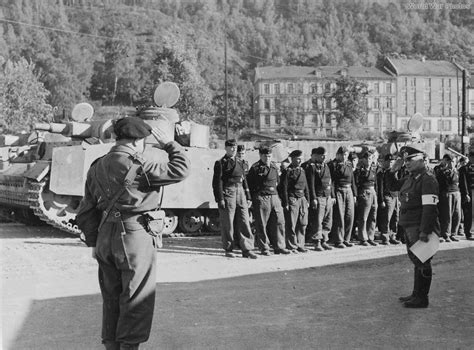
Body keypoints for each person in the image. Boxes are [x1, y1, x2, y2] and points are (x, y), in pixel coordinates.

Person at [76, 117, 190, 350]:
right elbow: (181, 169)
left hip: (104, 237)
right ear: (138, 141)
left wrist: (94, 243)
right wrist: (170, 144)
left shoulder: (97, 165)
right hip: (134, 236)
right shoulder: (139, 166)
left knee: (111, 299)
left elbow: (86, 210)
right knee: (137, 298)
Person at [388, 145, 440, 308]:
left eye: (410, 159)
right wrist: (392, 172)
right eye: (405, 160)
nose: (407, 163)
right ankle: (416, 293)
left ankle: (422, 298)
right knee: (416, 260)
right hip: (409, 225)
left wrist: (425, 231)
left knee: (422, 261)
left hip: (419, 226)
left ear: (422, 160)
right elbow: (394, 187)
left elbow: (429, 208)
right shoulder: (411, 177)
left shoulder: (427, 179)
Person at [212, 139, 257, 259]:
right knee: (228, 222)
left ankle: (247, 249)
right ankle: (228, 248)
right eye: (231, 147)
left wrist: (248, 196)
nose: (233, 149)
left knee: (244, 220)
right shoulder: (221, 163)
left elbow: (244, 179)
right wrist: (220, 198)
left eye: (235, 147)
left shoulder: (240, 162)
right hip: (228, 191)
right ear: (226, 148)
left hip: (240, 191)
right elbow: (217, 182)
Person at [247, 146, 290, 255]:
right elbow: (250, 184)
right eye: (265, 156)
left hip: (274, 197)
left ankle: (279, 246)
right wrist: (253, 199)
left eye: (269, 156)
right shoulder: (255, 168)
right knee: (262, 224)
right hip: (262, 197)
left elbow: (278, 183)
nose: (267, 158)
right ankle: (264, 247)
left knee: (279, 222)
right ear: (260, 155)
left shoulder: (274, 167)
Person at [305, 147, 334, 251]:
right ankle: (317, 242)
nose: (324, 157)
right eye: (322, 155)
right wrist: (313, 198)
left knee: (327, 220)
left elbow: (331, 181)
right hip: (319, 196)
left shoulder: (326, 166)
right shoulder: (312, 167)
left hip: (327, 195)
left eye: (325, 155)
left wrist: (332, 195)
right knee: (318, 220)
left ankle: (324, 240)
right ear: (316, 156)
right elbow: (311, 184)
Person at [280, 150, 309, 253]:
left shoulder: (302, 170)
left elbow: (306, 186)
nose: (300, 160)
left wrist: (307, 199)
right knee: (291, 224)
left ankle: (300, 244)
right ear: (292, 159)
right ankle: (291, 245)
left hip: (302, 199)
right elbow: (284, 188)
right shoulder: (287, 171)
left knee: (302, 223)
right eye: (297, 158)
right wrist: (286, 203)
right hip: (292, 198)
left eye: (301, 158)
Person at [328, 146, 357, 248]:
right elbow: (331, 181)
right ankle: (339, 240)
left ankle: (347, 239)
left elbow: (352, 180)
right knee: (340, 216)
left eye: (346, 155)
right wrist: (332, 195)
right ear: (338, 154)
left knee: (350, 215)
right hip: (338, 190)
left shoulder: (349, 164)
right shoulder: (333, 165)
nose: (344, 156)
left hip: (349, 190)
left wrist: (354, 194)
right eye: (342, 154)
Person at [434, 154, 461, 242]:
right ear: (445, 160)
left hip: (456, 192)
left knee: (457, 214)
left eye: (453, 161)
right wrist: (445, 170)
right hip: (446, 192)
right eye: (450, 161)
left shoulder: (455, 170)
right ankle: (446, 234)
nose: (452, 163)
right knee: (447, 215)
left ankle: (454, 233)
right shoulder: (439, 169)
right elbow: (440, 180)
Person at [354, 149, 378, 246]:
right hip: (364, 191)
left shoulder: (373, 169)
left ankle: (370, 236)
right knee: (364, 216)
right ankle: (363, 238)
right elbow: (356, 183)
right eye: (367, 158)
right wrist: (358, 194)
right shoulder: (360, 170)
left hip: (373, 191)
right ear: (363, 160)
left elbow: (375, 182)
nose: (369, 160)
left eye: (370, 158)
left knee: (373, 215)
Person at [376, 154, 401, 245]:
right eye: (389, 161)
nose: (391, 163)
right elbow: (380, 188)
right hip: (387, 196)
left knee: (395, 216)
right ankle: (385, 236)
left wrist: (398, 198)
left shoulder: (394, 172)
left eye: (392, 162)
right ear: (385, 162)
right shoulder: (381, 173)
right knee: (386, 217)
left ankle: (392, 235)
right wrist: (381, 200)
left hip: (395, 196)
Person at [459, 150, 474, 239]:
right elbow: (463, 183)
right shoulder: (464, 168)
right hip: (469, 192)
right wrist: (466, 194)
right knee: (469, 213)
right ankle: (468, 232)